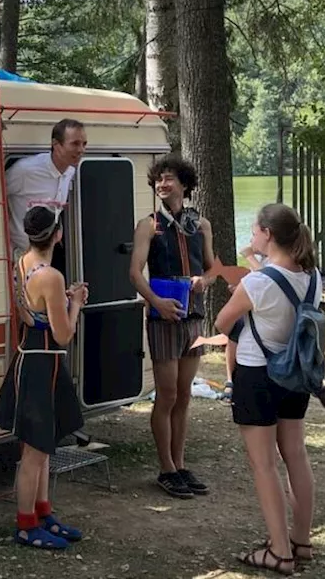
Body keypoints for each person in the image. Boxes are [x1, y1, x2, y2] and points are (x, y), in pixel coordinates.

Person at [214, 203, 321, 576]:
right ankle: (301, 541)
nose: (253, 236)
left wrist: (242, 302)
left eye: (257, 230)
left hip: (257, 374)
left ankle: (278, 551)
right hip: (295, 373)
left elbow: (223, 322)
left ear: (267, 235)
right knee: (296, 455)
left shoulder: (256, 282)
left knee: (263, 465)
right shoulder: (313, 276)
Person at [0, 205, 88, 550]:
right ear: (58, 235)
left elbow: (29, 314)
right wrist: (76, 303)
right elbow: (64, 335)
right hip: (43, 363)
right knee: (34, 452)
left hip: (31, 357)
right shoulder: (52, 277)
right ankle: (26, 524)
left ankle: (43, 513)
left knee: (44, 446)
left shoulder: (21, 262)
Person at [128, 155, 220, 499]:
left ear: (184, 184)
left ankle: (180, 465)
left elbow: (214, 268)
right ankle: (165, 468)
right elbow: (135, 273)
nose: (162, 185)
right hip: (163, 317)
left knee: (184, 395)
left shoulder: (202, 225)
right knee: (166, 395)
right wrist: (157, 302)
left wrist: (203, 281)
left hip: (193, 316)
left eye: (169, 179)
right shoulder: (149, 225)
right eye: (158, 180)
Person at [230, 245, 325, 411]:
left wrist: (250, 258)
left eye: (254, 233)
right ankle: (229, 380)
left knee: (262, 431)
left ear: (269, 235)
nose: (251, 240)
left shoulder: (271, 272)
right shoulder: (312, 272)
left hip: (261, 360)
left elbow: (270, 281)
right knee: (292, 431)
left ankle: (230, 381)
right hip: (299, 359)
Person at [5, 119, 88, 270]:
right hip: (20, 258)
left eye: (84, 144)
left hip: (47, 255)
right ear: (56, 145)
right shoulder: (25, 171)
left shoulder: (70, 171)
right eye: (75, 144)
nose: (81, 150)